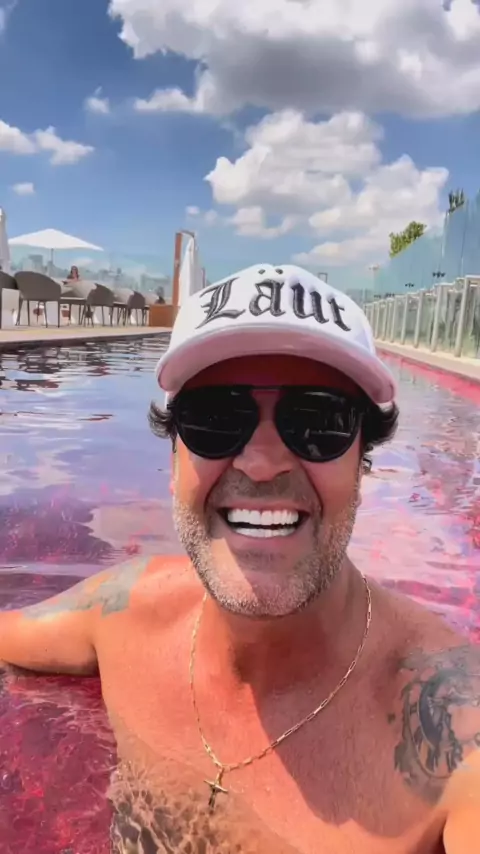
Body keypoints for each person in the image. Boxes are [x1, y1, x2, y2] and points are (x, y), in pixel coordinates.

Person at [0, 264, 479, 853]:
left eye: (318, 421)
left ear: (363, 462)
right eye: (215, 419)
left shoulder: (456, 733)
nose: (261, 463)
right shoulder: (122, 613)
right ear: (173, 458)